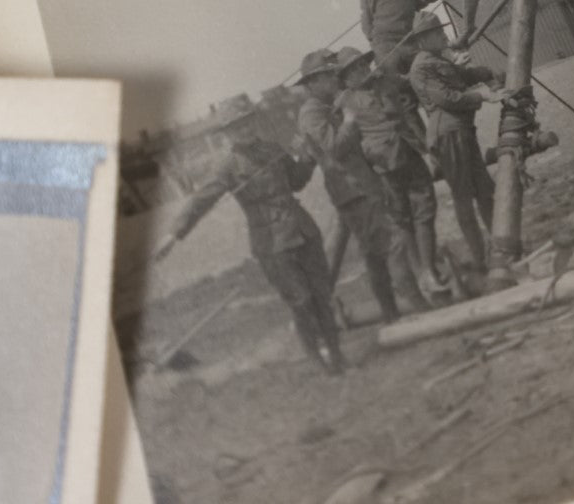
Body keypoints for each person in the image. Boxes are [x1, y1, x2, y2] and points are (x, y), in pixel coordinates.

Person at [151, 95, 343, 375]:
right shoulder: (228, 166)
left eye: (247, 122)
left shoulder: (272, 149)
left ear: (254, 122)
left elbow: (297, 182)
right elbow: (201, 200)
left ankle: (337, 355)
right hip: (273, 245)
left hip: (304, 231)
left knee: (322, 296)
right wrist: (173, 234)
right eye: (237, 127)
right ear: (227, 133)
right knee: (301, 302)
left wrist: (306, 156)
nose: (245, 130)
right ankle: (318, 361)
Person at [293, 49, 427, 321]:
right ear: (311, 84)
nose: (335, 79)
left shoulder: (328, 105)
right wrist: (351, 120)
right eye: (328, 76)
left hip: (361, 186)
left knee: (374, 255)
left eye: (334, 74)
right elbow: (333, 148)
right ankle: (420, 306)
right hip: (353, 191)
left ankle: (391, 313)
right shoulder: (311, 113)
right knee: (394, 243)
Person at [335, 46, 444, 292]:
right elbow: (342, 146)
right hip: (384, 164)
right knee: (402, 218)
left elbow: (409, 93)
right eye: (353, 70)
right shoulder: (346, 102)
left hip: (410, 153)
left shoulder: (385, 82)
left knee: (426, 209)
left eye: (363, 65)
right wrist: (348, 122)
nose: (361, 71)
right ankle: (421, 274)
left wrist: (427, 149)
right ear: (345, 78)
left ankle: (429, 270)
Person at [408, 11, 506, 272]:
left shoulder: (436, 59)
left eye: (441, 30)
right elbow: (448, 98)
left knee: (485, 191)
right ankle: (480, 259)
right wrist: (483, 96)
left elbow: (461, 79)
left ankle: (501, 249)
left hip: (461, 131)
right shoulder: (421, 67)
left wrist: (486, 73)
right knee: (463, 197)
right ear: (422, 39)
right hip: (448, 135)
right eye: (437, 33)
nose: (443, 35)